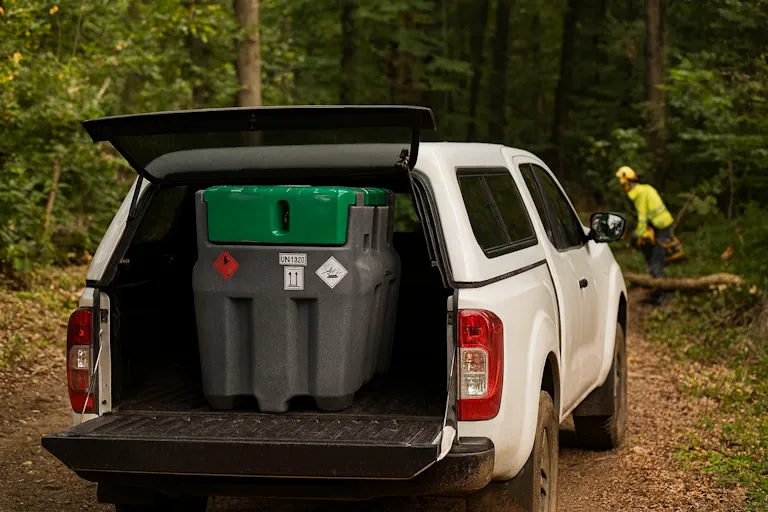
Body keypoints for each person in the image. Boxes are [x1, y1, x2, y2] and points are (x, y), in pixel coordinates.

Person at [616, 166, 675, 305]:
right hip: (658, 226)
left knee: (656, 259)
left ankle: (663, 294)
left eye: (624, 184)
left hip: (660, 227)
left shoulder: (640, 194)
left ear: (628, 182)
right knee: (651, 257)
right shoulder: (644, 189)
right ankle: (657, 289)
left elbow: (642, 219)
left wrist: (636, 236)